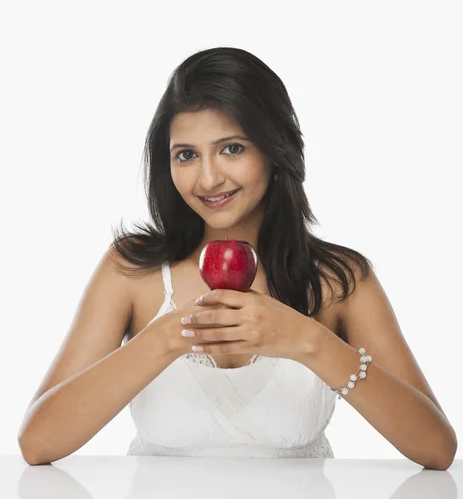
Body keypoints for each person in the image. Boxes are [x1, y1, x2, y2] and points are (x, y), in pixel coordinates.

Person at [18, 47, 457, 468]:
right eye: (186, 155)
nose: (208, 178)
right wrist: (169, 337)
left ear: (275, 148)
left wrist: (308, 341)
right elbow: (38, 444)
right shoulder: (132, 271)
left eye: (232, 148)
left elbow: (436, 449)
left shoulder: (338, 282)